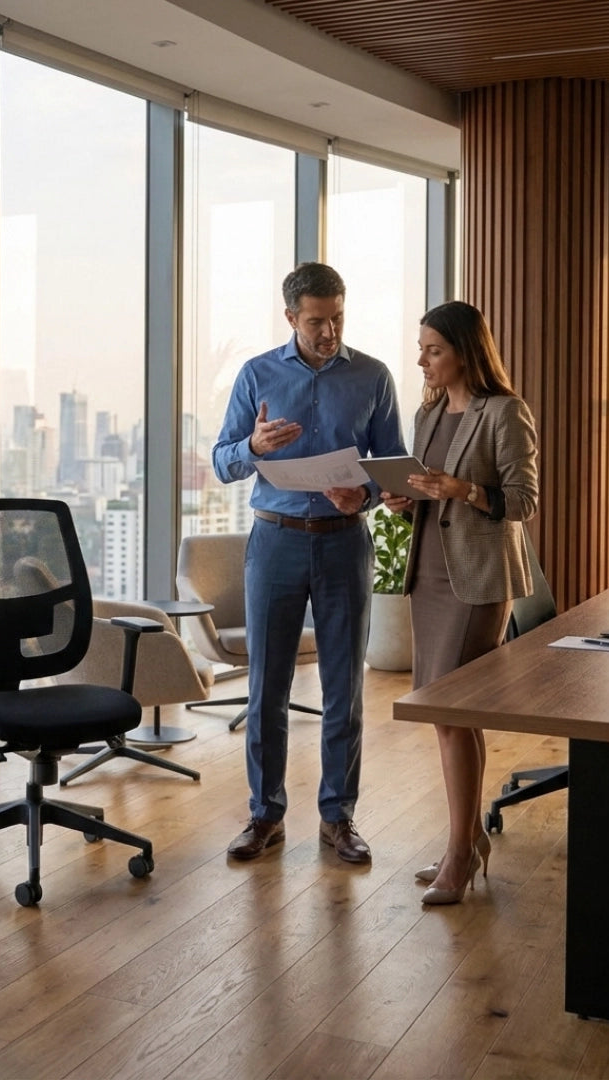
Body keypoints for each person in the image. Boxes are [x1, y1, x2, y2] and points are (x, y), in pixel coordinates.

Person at [213, 262, 406, 863]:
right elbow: (222, 461)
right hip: (275, 541)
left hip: (345, 541)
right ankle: (264, 815)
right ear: (291, 317)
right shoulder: (256, 374)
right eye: (317, 321)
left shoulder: (373, 375)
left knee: (344, 687)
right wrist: (254, 446)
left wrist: (368, 494)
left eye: (338, 318)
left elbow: (393, 465)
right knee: (267, 685)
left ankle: (338, 818)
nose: (329, 332)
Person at [381, 300, 538, 904]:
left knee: (452, 711)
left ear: (465, 352)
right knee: (448, 714)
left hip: (477, 581)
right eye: (421, 348)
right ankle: (467, 840)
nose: (421, 359)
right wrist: (407, 498)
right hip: (430, 575)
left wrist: (464, 489)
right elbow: (427, 490)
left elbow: (522, 501)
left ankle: (459, 853)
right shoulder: (426, 414)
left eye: (433, 350)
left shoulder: (505, 412)